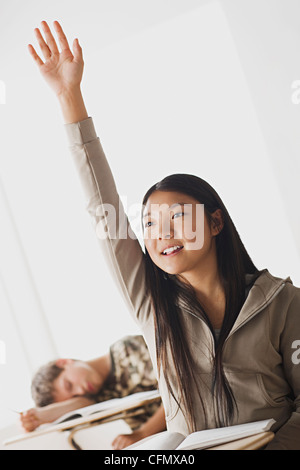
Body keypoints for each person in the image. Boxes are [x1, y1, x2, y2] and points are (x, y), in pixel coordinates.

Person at [27, 20, 300, 450]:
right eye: (150, 223)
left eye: (176, 217)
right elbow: (104, 207)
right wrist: (68, 96)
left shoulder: (283, 302)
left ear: (214, 222)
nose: (160, 234)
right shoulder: (151, 304)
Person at [21, 335, 165, 450]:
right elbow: (82, 405)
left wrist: (143, 433)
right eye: (75, 397)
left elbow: (179, 389)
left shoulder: (126, 351)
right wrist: (38, 417)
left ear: (64, 362)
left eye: (69, 385)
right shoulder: (102, 398)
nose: (80, 391)